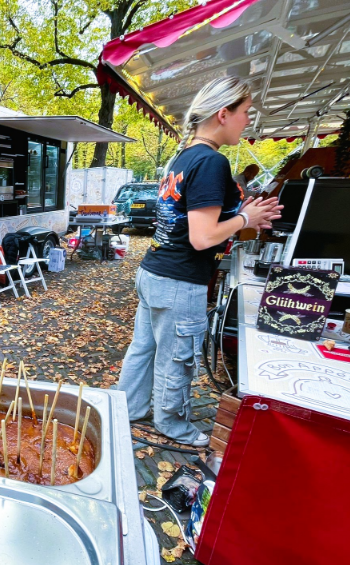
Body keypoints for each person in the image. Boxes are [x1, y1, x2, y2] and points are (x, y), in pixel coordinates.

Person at [117, 77, 281, 446]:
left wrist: (241, 211)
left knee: (145, 348)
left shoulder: (184, 156)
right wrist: (245, 220)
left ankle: (128, 408)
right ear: (223, 114)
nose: (247, 122)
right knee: (177, 358)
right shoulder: (211, 162)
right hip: (179, 280)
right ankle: (171, 424)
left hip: (155, 270)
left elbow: (188, 217)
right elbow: (202, 236)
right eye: (245, 113)